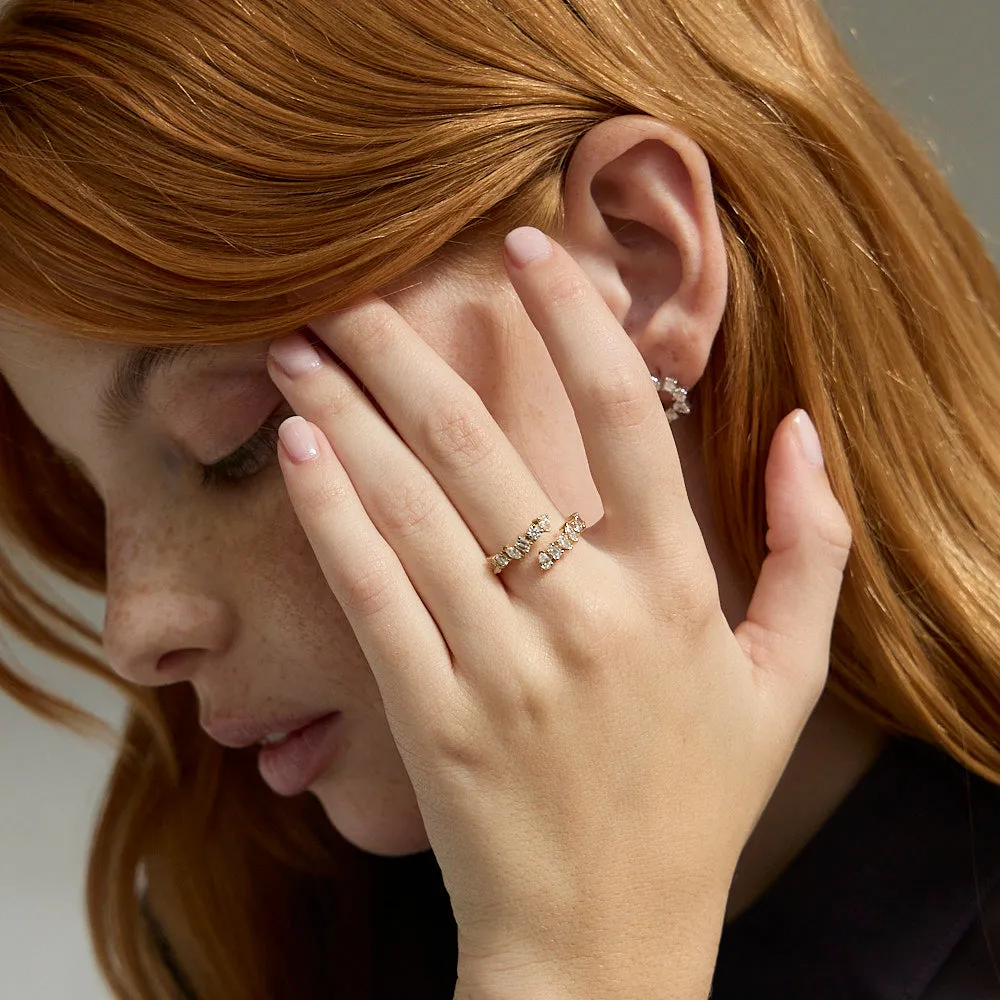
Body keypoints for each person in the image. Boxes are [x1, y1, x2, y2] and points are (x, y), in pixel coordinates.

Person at [0, 0, 998, 997]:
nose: (133, 626)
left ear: (638, 258)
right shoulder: (254, 943)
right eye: (93, 502)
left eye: (241, 443)